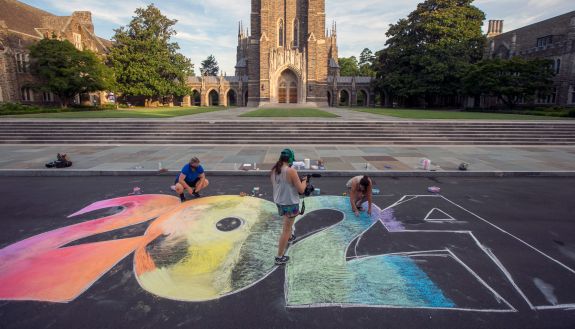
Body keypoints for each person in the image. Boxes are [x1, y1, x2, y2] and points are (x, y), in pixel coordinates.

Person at [271, 149, 307, 266]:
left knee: (288, 224)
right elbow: (301, 190)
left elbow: (281, 185)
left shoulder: (274, 169)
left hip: (279, 202)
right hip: (290, 203)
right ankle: (279, 257)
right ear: (290, 159)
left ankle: (290, 236)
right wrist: (305, 182)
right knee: (286, 230)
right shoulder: (291, 171)